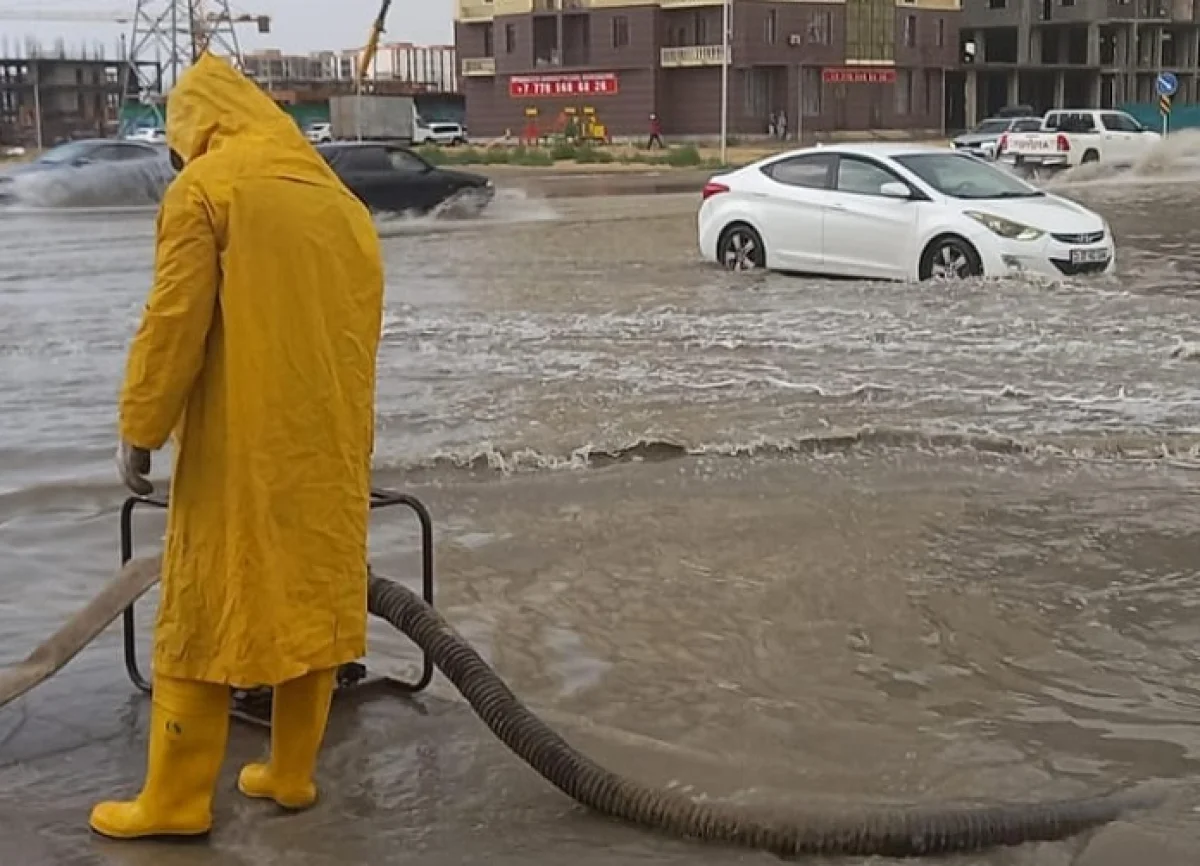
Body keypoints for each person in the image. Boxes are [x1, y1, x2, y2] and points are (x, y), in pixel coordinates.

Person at [92, 51, 384, 840]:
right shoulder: (342, 204)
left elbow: (172, 324)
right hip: (329, 448)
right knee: (314, 598)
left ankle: (176, 800)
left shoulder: (207, 189)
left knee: (203, 605)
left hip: (240, 444)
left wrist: (140, 427)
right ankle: (291, 774)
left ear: (196, 127)